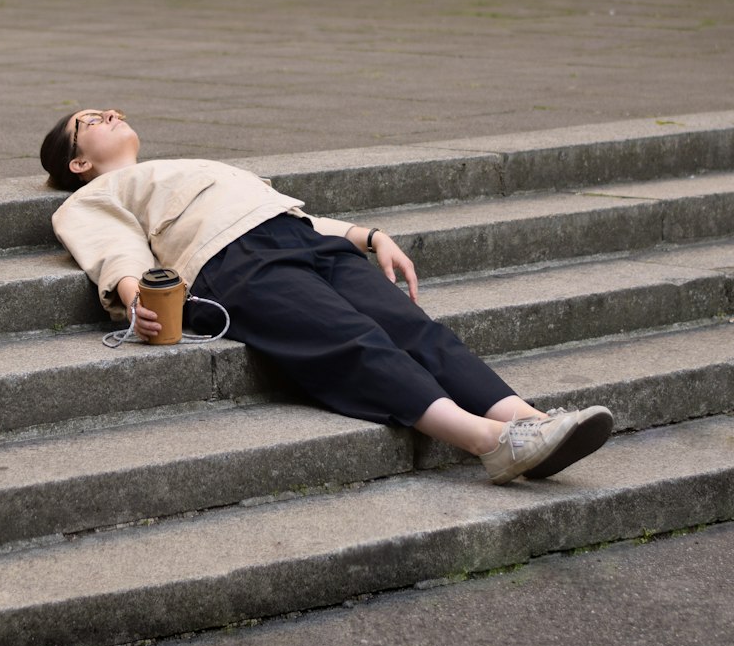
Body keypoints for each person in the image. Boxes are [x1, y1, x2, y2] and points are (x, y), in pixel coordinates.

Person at [40, 108, 614, 486]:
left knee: (416, 329)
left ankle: (531, 420)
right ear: (79, 161)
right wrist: (135, 291)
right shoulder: (93, 196)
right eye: (90, 120)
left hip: (300, 238)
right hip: (232, 262)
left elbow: (290, 212)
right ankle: (491, 441)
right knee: (354, 343)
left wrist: (368, 235)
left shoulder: (188, 164)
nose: (110, 113)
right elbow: (112, 248)